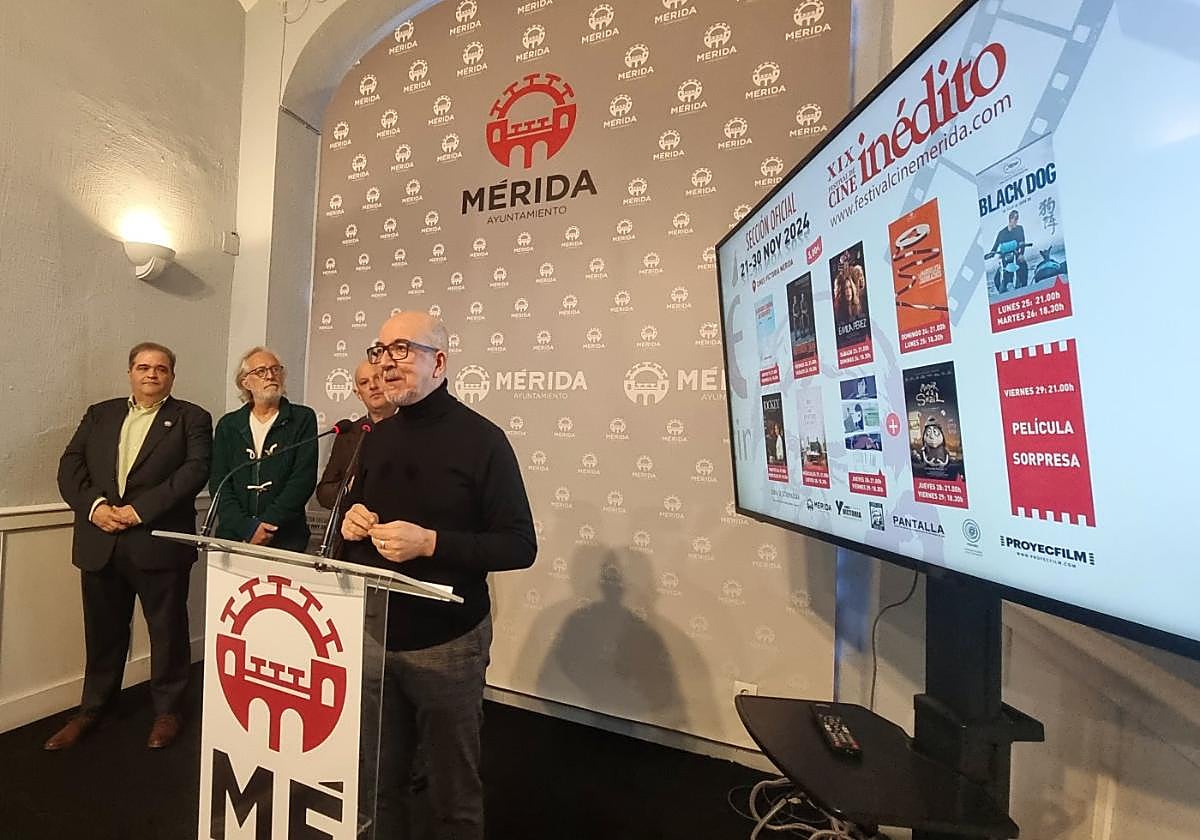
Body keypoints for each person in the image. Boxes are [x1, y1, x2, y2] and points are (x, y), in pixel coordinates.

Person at [341, 311, 536, 840]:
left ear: (440, 362)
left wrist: (430, 542)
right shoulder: (375, 438)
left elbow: (519, 544)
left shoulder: (483, 440)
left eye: (401, 349)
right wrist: (353, 524)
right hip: (375, 633)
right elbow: (355, 525)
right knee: (376, 783)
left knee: (452, 791)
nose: (386, 363)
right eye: (380, 350)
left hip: (447, 643)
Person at [48, 342, 212, 750]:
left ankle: (168, 711)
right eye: (143, 367)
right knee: (103, 633)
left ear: (171, 375)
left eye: (160, 368)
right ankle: (93, 709)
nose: (151, 374)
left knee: (168, 633)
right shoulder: (99, 414)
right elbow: (70, 465)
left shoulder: (192, 417)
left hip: (157, 543)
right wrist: (96, 508)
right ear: (130, 373)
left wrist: (139, 511)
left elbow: (194, 472)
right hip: (100, 539)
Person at [210, 347, 317, 552]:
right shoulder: (228, 425)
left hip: (285, 537)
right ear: (245, 382)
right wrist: (246, 528)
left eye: (275, 369)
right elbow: (219, 482)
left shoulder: (302, 419)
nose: (270, 376)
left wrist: (265, 527)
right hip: (234, 536)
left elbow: (302, 480)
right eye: (261, 371)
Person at [315, 359, 396, 510]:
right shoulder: (347, 434)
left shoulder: (415, 428)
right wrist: (347, 489)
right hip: (355, 521)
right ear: (358, 394)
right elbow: (324, 493)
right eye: (364, 383)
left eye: (378, 378)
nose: (372, 386)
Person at [990, 209, 1028, 292]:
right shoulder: (1001, 233)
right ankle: (1002, 290)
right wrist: (991, 254)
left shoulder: (1019, 229)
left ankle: (1024, 287)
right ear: (1010, 219)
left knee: (1024, 266)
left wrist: (1021, 254)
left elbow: (1022, 242)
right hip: (1005, 258)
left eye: (1017, 219)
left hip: (1016, 255)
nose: (1016, 221)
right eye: (1015, 219)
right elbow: (995, 246)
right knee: (998, 277)